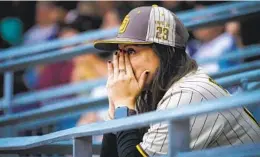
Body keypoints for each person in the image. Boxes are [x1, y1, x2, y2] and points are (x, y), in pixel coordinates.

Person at [94, 5, 260, 157]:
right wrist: (116, 108)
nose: (122, 64)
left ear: (165, 53)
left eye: (131, 51)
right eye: (119, 53)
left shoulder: (188, 94)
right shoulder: (150, 92)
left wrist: (123, 106)